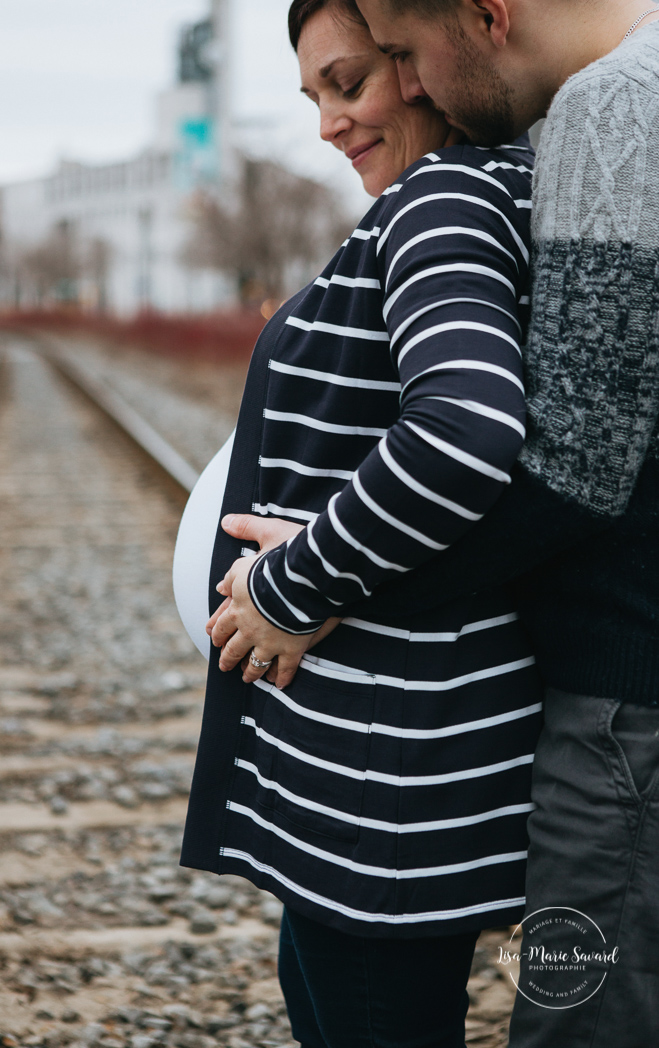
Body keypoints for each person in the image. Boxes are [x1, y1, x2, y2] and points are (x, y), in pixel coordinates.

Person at [179, 0, 542, 1044]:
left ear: (421, 60)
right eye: (313, 98)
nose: (328, 125)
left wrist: (287, 585)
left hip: (385, 793)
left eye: (351, 82)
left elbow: (466, 429)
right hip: (370, 773)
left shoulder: (444, 204)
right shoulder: (449, 203)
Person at [305, 0, 659, 1045]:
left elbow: (577, 463)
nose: (407, 89)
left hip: (623, 709)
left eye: (406, 56)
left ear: (488, 15)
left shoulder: (615, 106)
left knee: (580, 1026)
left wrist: (327, 588)